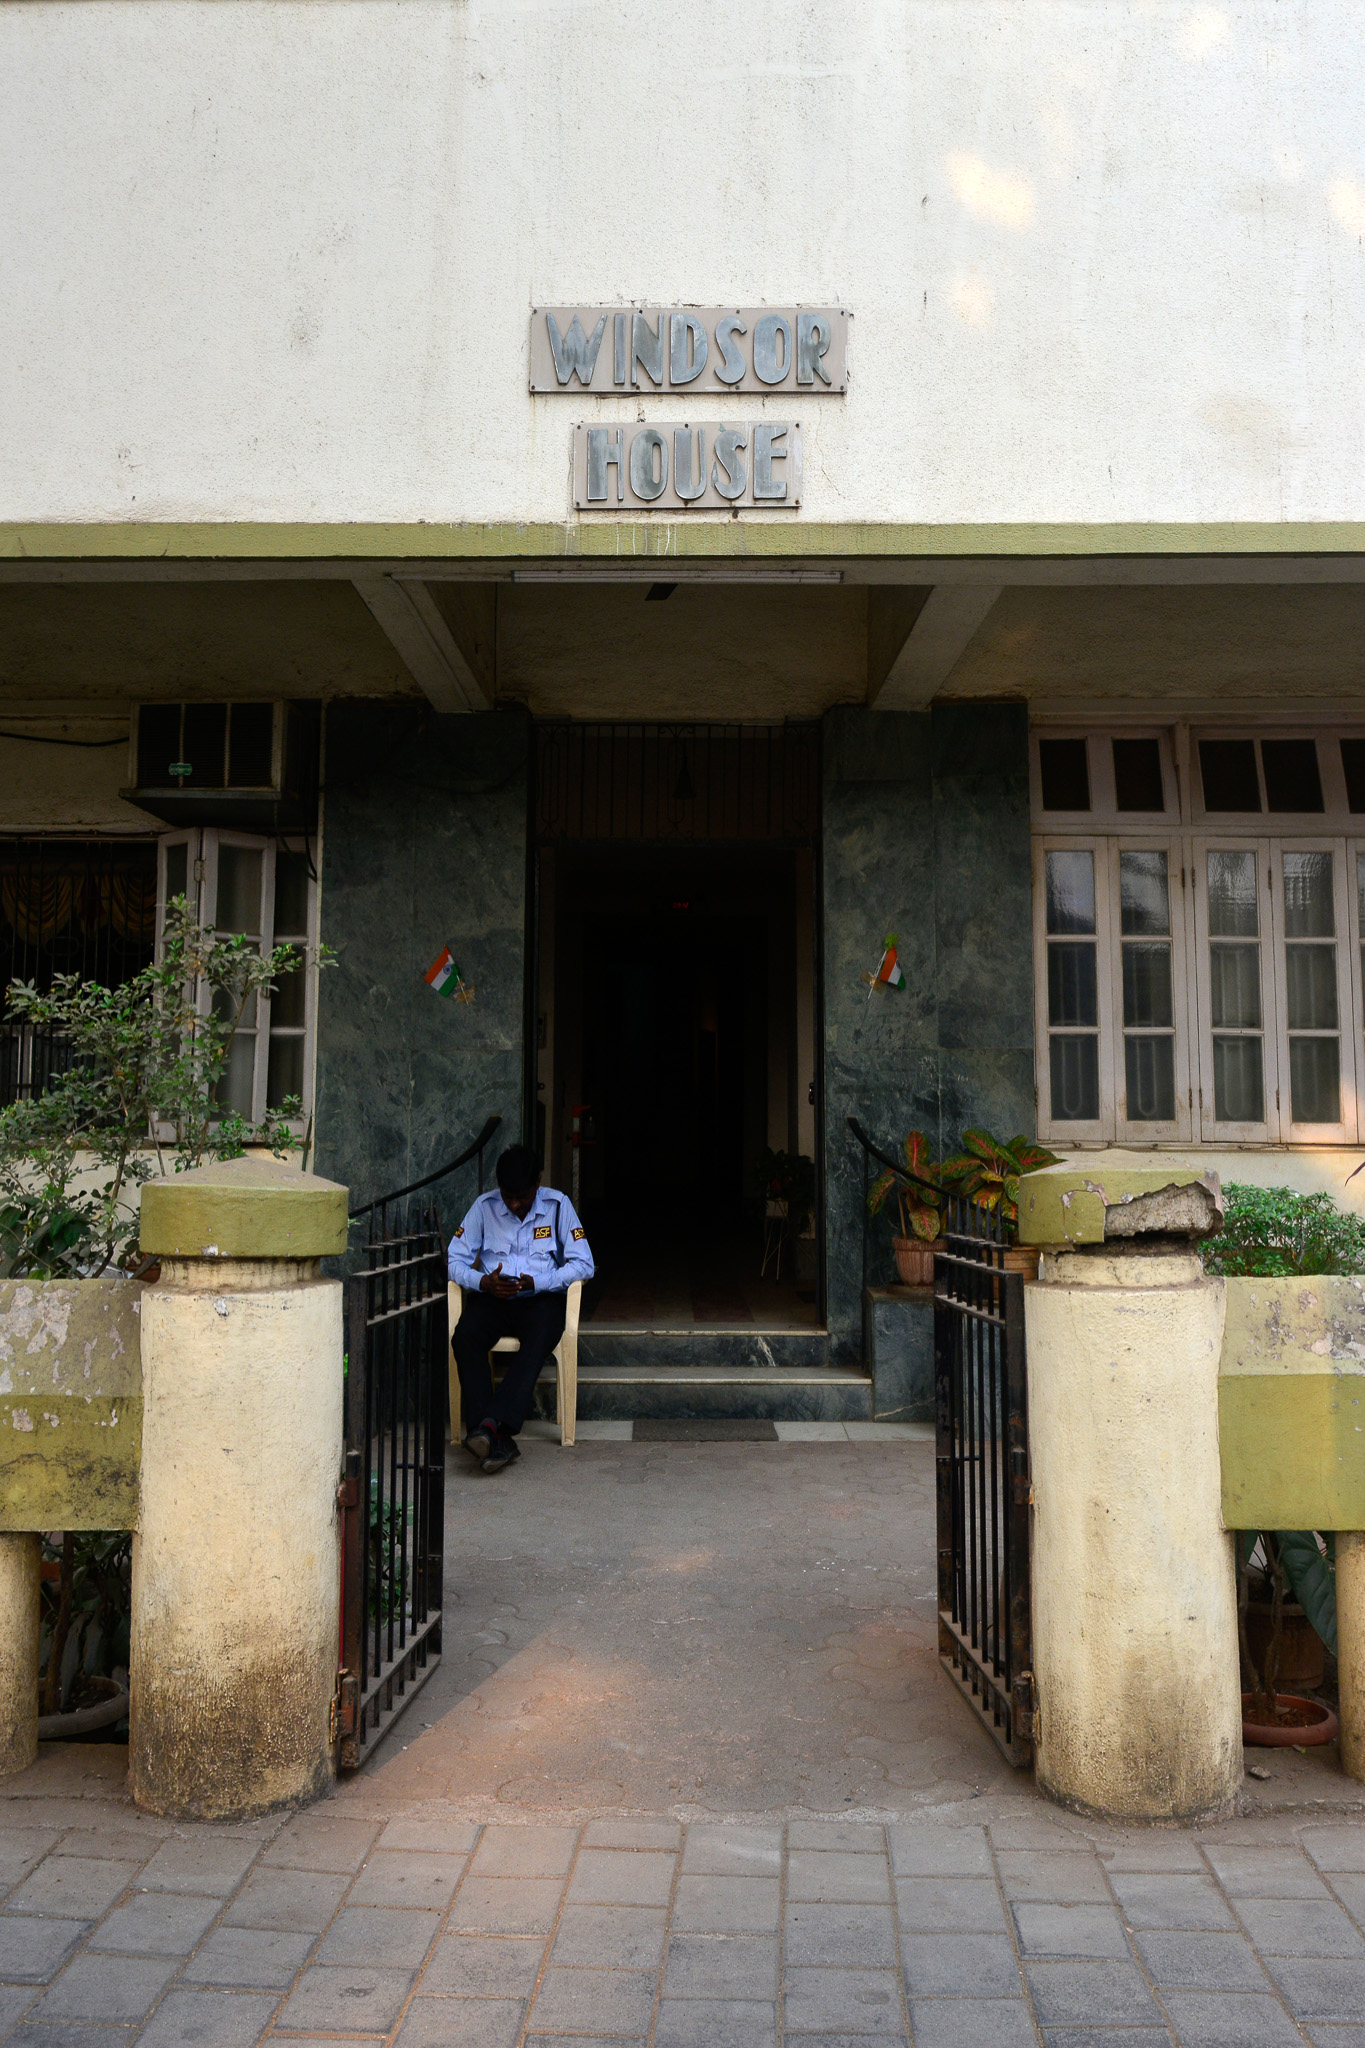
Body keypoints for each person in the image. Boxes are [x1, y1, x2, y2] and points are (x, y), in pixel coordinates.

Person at [448, 1143, 594, 1473]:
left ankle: (487, 1428)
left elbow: (584, 1264)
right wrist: (482, 1282)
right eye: (508, 1196)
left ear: (537, 1183)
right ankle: (494, 1435)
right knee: (465, 1337)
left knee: (541, 1336)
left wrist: (538, 1282)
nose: (514, 1204)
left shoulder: (558, 1206)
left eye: (522, 1197)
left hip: (540, 1300)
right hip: (493, 1298)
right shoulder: (483, 1207)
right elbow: (454, 1261)